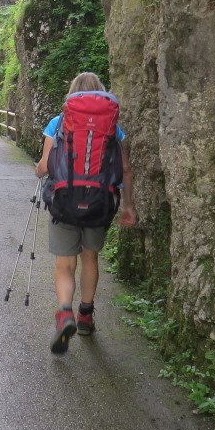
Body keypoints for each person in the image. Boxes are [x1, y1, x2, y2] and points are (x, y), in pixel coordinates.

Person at [35, 72, 136, 354]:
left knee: (65, 263)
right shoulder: (112, 126)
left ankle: (65, 312)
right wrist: (128, 206)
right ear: (101, 93)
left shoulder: (58, 123)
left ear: (72, 94)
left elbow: (45, 166)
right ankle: (86, 316)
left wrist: (38, 170)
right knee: (90, 257)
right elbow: (125, 169)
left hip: (64, 201)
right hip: (99, 203)